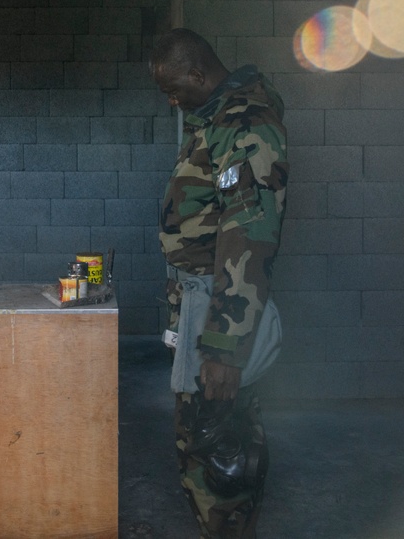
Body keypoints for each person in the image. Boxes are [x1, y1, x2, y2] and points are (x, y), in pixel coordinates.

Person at [150, 28, 288, 539]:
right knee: (204, 437)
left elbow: (249, 231)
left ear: (198, 74)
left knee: (217, 448)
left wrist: (225, 349)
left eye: (174, 88)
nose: (170, 99)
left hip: (218, 309)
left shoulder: (245, 122)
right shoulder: (216, 117)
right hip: (200, 302)